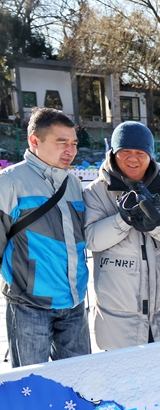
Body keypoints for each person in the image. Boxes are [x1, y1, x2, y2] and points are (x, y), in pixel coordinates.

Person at [83, 121, 160, 350]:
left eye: (140, 152)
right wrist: (122, 220)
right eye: (125, 152)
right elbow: (91, 239)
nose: (133, 158)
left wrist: (158, 225)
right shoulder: (97, 192)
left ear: (150, 155)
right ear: (113, 153)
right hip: (117, 322)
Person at [0, 108, 90, 367]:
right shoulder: (9, 183)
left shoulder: (73, 184)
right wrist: (20, 285)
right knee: (32, 386)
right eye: (61, 142)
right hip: (29, 306)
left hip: (74, 303)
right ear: (34, 141)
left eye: (73, 144)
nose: (70, 151)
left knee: (80, 384)